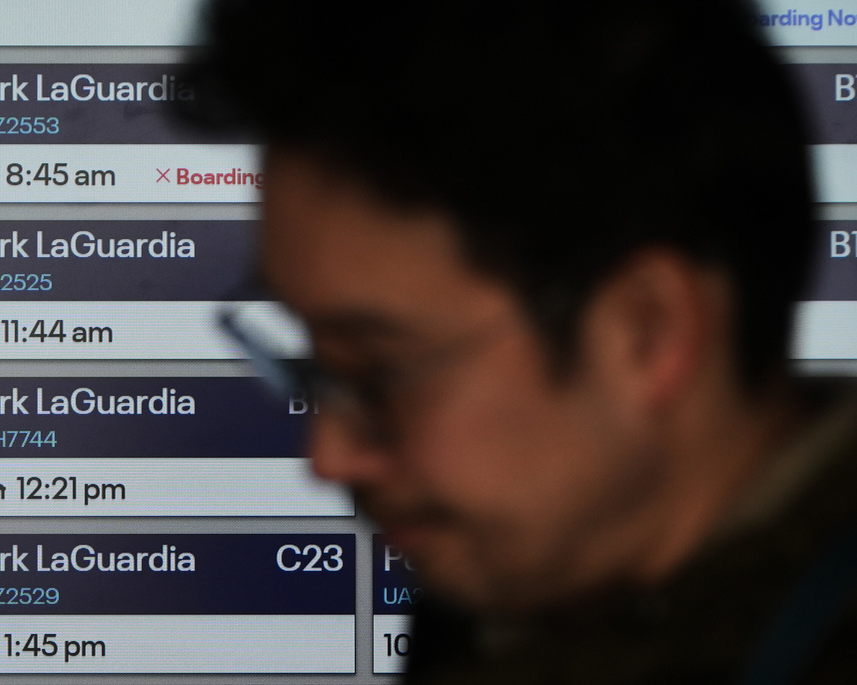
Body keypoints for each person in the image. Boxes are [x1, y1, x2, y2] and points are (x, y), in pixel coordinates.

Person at [191, 0, 857, 682]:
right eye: (312, 364)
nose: (327, 457)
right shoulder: (503, 607)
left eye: (379, 374)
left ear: (646, 330)